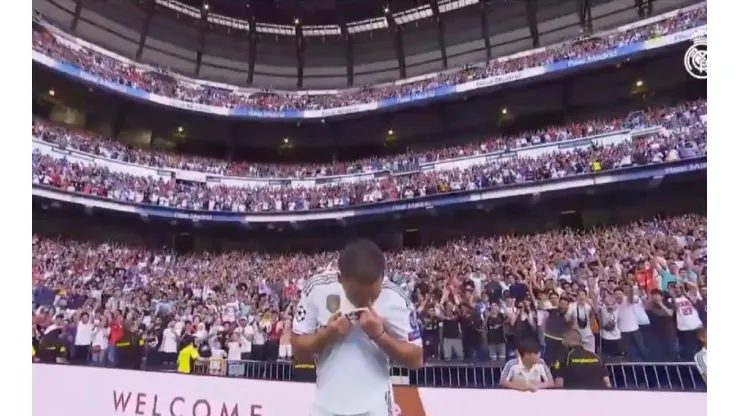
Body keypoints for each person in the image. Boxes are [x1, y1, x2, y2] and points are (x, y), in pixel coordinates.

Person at [291, 239, 423, 416]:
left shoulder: (395, 297)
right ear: (340, 280)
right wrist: (327, 335)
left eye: (372, 297)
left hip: (376, 408)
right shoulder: (317, 288)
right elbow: (297, 348)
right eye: (357, 296)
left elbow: (416, 359)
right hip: (325, 407)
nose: (366, 303)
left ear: (381, 278)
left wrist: (380, 336)